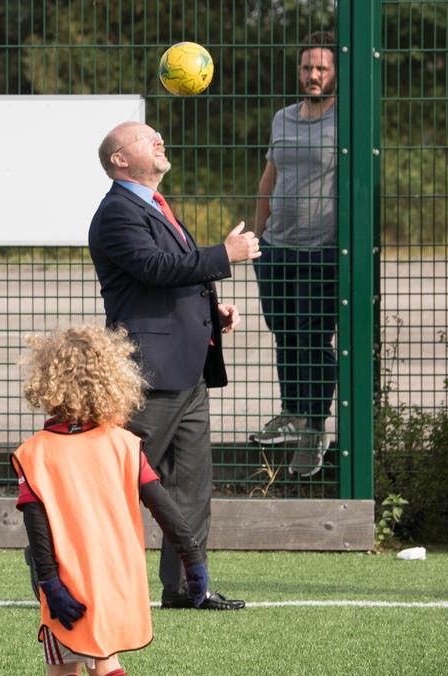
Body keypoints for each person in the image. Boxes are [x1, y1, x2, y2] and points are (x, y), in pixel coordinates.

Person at [12, 325, 213, 676]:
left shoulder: (34, 453)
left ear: (46, 382)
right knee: (107, 662)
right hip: (120, 584)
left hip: (70, 584)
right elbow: (168, 510)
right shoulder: (124, 444)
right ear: (113, 378)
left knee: (62, 670)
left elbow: (38, 532)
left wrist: (50, 584)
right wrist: (193, 562)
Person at [88, 120, 259, 611]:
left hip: (187, 372)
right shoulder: (118, 212)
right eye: (147, 138)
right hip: (148, 372)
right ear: (120, 159)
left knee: (189, 489)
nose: (160, 139)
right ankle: (83, 579)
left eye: (160, 134)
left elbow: (171, 280)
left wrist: (212, 310)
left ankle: (189, 588)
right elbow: (155, 269)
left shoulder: (154, 205)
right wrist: (224, 254)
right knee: (116, 485)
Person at [251, 31, 339, 477]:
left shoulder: (346, 119)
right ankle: (292, 411)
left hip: (321, 248)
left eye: (322, 67)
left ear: (336, 71)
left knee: (312, 336)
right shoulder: (284, 118)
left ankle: (313, 427)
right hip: (276, 247)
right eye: (307, 67)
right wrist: (259, 233)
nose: (313, 75)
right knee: (284, 332)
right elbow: (270, 177)